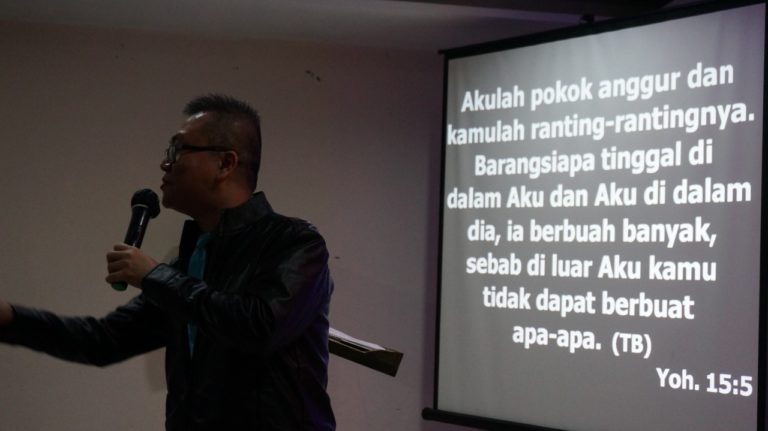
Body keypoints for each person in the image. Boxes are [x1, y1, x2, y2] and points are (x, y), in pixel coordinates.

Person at [0, 94, 336, 430]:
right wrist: (10, 319)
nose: (165, 164)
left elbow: (258, 327)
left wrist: (153, 277)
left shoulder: (294, 242)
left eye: (178, 150)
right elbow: (102, 340)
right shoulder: (188, 263)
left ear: (225, 164)